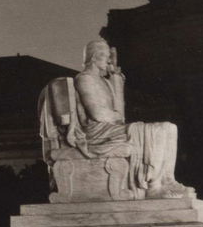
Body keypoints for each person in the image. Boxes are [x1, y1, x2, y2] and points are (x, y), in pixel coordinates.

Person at [55, 38, 184, 198]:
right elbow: (98, 114)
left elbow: (119, 116)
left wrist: (116, 78)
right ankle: (153, 185)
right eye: (106, 56)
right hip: (96, 132)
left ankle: (167, 180)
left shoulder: (105, 82)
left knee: (169, 128)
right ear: (94, 57)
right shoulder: (85, 78)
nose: (109, 60)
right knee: (158, 130)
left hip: (110, 128)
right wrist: (115, 116)